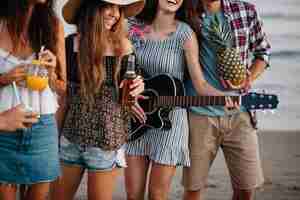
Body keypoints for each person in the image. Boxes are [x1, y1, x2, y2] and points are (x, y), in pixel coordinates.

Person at [124, 0, 229, 199]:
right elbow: (118, 68)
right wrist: (127, 98)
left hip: (170, 122)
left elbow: (200, 85)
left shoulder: (185, 34)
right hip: (135, 118)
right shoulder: (132, 26)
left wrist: (225, 98)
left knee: (157, 194)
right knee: (133, 194)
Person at [50, 0, 145, 199]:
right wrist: (53, 140)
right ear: (90, 8)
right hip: (70, 139)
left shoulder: (124, 47)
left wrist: (138, 86)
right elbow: (64, 97)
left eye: (118, 9)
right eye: (108, 6)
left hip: (106, 141)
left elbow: (131, 91)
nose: (115, 14)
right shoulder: (70, 44)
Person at [182, 0, 271, 200]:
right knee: (193, 188)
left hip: (240, 114)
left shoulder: (246, 10)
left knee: (246, 188)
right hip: (200, 114)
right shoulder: (186, 12)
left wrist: (249, 77)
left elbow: (263, 52)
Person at [0, 0, 66, 199]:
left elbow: (62, 88)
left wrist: (52, 72)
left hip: (42, 126)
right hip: (3, 125)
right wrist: (4, 78)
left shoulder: (53, 25)